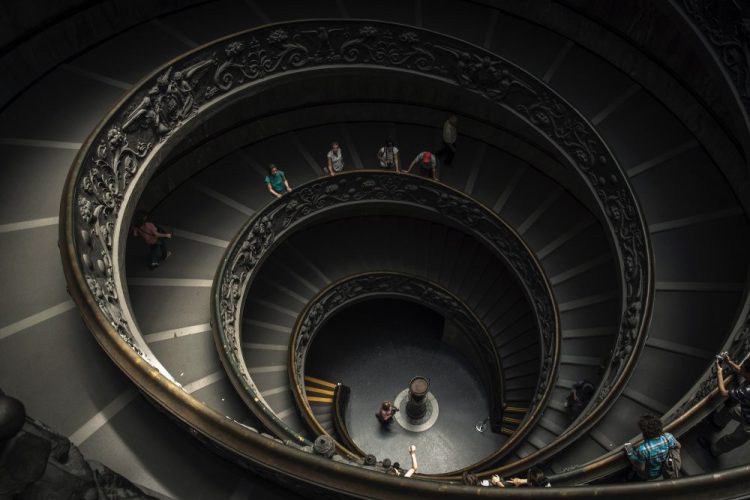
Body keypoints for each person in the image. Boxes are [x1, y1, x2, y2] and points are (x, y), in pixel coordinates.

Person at [698, 353, 750, 456]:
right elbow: (741, 371)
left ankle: (714, 450)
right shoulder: (748, 375)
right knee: (732, 411)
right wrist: (729, 361)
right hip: (747, 410)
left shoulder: (747, 391)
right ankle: (717, 423)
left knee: (734, 439)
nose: (741, 369)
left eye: (743, 368)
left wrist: (719, 372)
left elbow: (723, 392)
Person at [624, 415, 680, 480]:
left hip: (652, 475)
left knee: (636, 469)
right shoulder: (668, 437)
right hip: (665, 468)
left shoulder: (643, 450)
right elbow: (678, 446)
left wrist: (629, 453)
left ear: (644, 431)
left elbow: (641, 468)